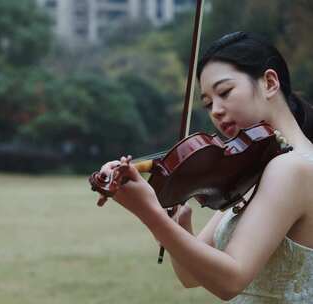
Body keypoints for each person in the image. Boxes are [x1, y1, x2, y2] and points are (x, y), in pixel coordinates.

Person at [98, 31, 313, 302]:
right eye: (209, 103)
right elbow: (192, 277)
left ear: (269, 82)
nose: (216, 111)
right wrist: (174, 225)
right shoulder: (256, 172)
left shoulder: (292, 168)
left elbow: (230, 281)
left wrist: (149, 213)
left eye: (225, 92)